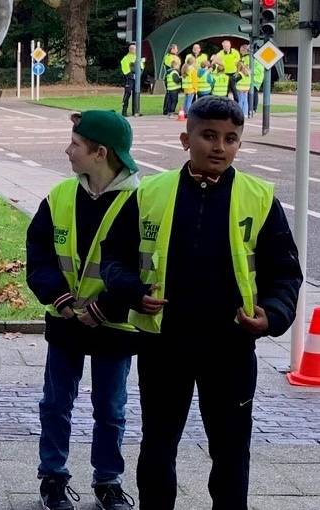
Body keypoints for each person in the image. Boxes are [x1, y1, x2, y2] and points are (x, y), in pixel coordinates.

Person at [101, 96, 302, 510]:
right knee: (158, 444)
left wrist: (274, 314)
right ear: (185, 138)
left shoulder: (259, 198)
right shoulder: (149, 194)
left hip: (230, 346)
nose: (220, 147)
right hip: (164, 345)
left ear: (240, 145)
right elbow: (113, 258)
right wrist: (132, 290)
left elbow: (284, 272)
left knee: (230, 451)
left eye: (231, 139)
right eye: (209, 136)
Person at [27, 111, 139, 510]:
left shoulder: (140, 200)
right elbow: (38, 256)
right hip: (66, 322)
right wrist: (60, 299)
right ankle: (53, 478)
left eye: (75, 144)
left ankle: (108, 481)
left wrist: (104, 308)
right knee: (55, 404)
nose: (68, 150)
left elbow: (146, 266)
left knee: (110, 409)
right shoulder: (59, 198)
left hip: (115, 324)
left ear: (100, 152)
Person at [120, 44, 145, 117]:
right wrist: (131, 75)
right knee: (127, 94)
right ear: (130, 50)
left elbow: (142, 67)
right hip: (129, 79)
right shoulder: (126, 58)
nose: (135, 51)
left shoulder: (137, 57)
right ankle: (124, 111)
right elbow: (125, 69)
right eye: (134, 49)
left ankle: (135, 111)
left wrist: (139, 74)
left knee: (136, 93)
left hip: (136, 78)